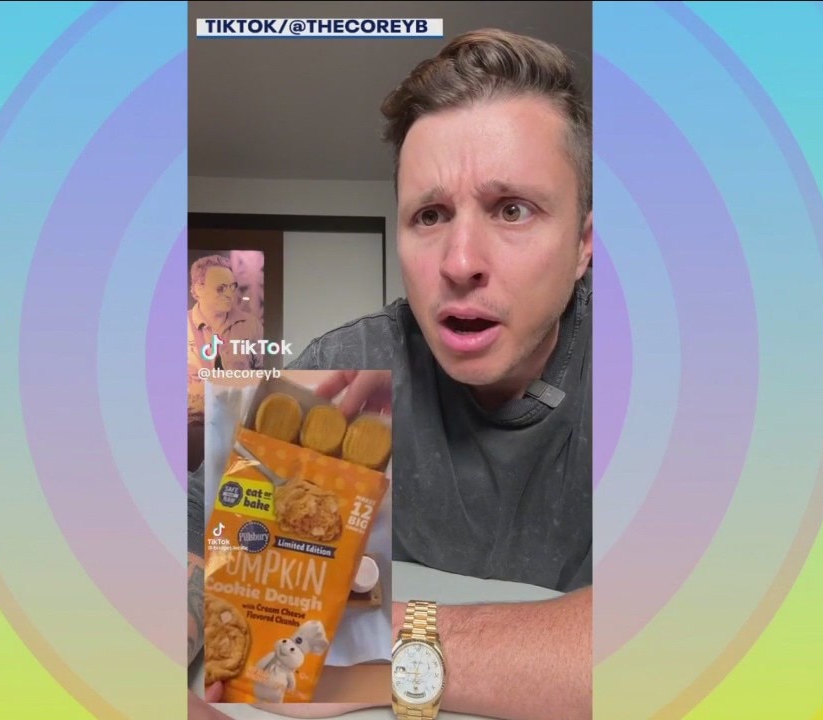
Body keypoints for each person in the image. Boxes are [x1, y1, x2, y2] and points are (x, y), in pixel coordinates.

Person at [189, 28, 593, 720]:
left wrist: (378, 645)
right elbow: (184, 530)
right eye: (429, 215)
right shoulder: (345, 369)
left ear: (584, 246)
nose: (459, 262)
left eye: (512, 210)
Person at [187, 254, 264, 422]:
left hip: (237, 424)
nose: (230, 294)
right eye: (221, 288)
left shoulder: (251, 325)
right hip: (191, 429)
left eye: (232, 286)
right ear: (199, 289)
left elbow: (264, 379)